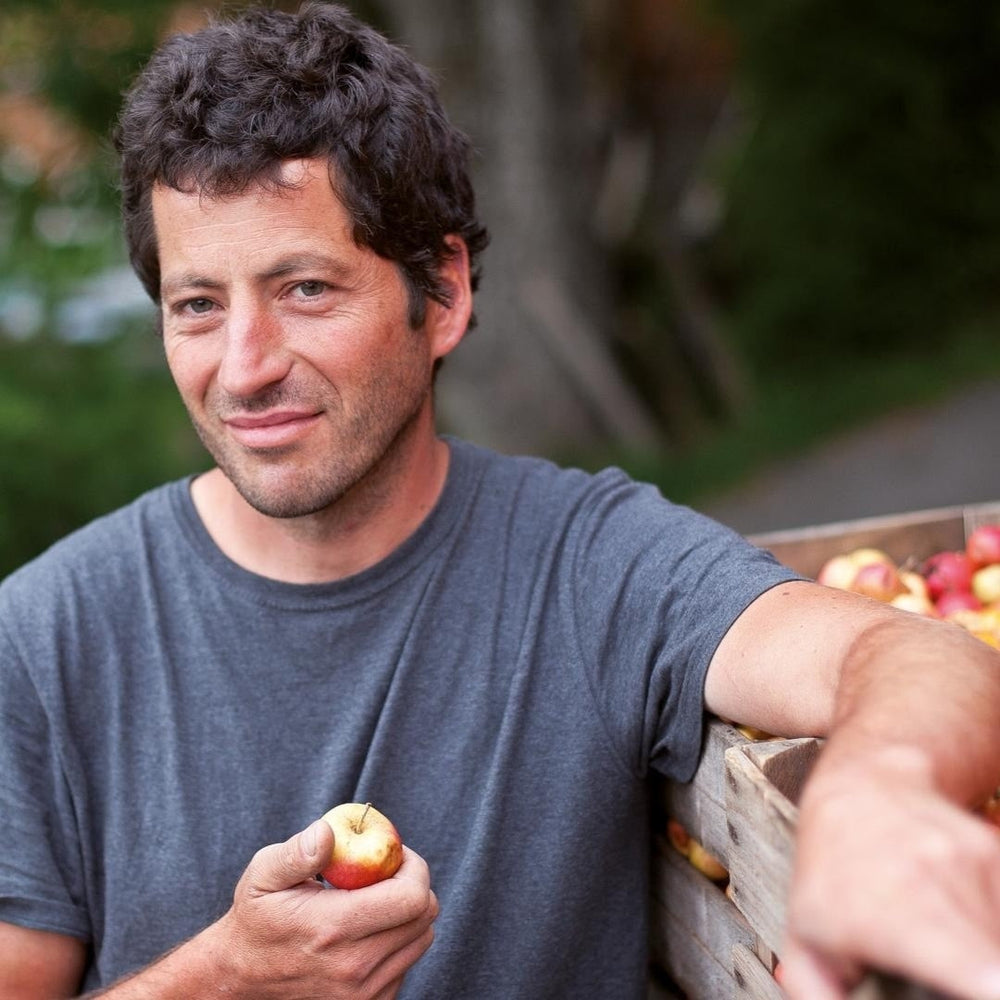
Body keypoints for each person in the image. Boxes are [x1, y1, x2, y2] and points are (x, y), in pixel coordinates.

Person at [2, 4, 1000, 999]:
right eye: (198, 305)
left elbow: (912, 652)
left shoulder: (587, 565)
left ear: (441, 291)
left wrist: (881, 790)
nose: (244, 366)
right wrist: (225, 979)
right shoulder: (42, 640)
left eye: (304, 287)